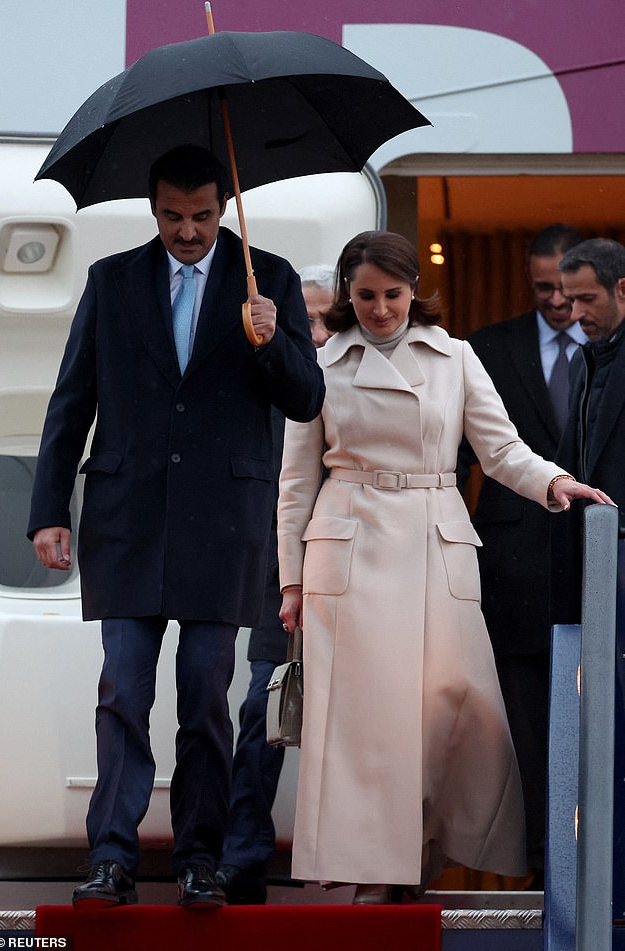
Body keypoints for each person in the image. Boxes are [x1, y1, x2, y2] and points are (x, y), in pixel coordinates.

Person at [27, 144, 325, 909]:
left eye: (199, 216)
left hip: (225, 524)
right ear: (152, 208)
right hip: (126, 521)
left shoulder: (274, 279)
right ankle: (111, 858)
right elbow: (72, 402)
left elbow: (305, 399)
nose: (186, 231)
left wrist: (274, 340)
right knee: (122, 691)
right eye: (171, 216)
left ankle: (200, 858)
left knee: (205, 695)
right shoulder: (112, 279)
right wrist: (48, 511)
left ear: (222, 207)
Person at [276, 230, 611, 905]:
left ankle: (421, 852)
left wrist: (556, 483)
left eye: (392, 295)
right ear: (348, 294)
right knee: (366, 724)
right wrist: (289, 579)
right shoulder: (321, 363)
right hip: (351, 551)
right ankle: (380, 869)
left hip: (434, 541)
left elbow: (502, 447)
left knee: (452, 711)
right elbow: (294, 483)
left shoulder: (455, 356)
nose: (379, 309)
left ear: (413, 293)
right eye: (365, 295)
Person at [457, 223, 585, 885]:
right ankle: (540, 862)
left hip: (599, 564)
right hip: (513, 564)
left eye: (566, 287)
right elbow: (456, 462)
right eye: (543, 288)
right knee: (525, 724)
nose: (557, 302)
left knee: (596, 719)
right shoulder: (487, 348)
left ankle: (598, 856)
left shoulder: (615, 347)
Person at [217, 265, 335, 905]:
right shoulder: (266, 375)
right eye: (306, 319)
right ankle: (242, 859)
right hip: (279, 573)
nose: (315, 332)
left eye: (325, 318)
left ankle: (377, 861)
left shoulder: (363, 374)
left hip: (359, 568)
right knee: (262, 709)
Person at [554, 237, 625, 620]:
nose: (575, 313)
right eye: (571, 301)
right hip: (594, 558)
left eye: (586, 298)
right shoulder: (582, 362)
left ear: (622, 288)